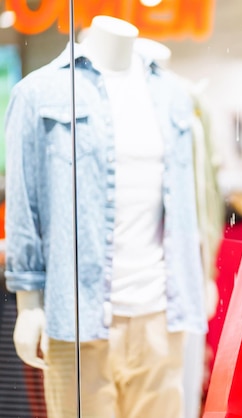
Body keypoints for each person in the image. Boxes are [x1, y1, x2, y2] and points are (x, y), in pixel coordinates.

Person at [4, 15, 205, 418]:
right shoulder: (38, 92)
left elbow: (190, 202)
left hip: (160, 316)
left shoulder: (172, 95)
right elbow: (24, 206)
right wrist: (29, 304)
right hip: (77, 319)